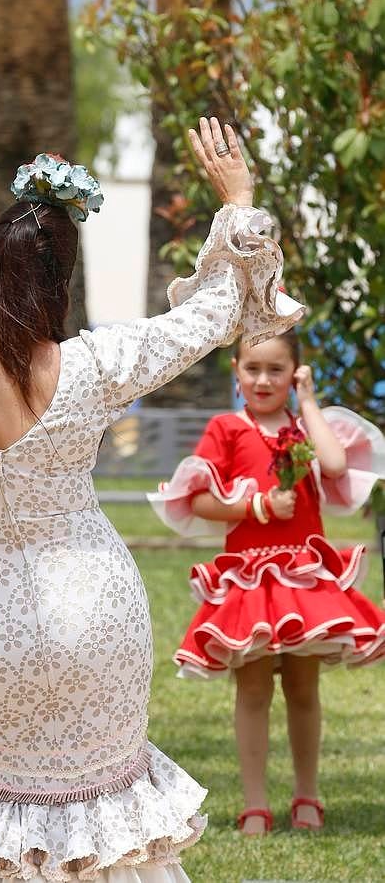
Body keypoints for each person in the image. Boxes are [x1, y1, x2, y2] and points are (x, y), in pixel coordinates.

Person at [0, 118, 303, 882]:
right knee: (102, 823)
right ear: (59, 280)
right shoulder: (93, 366)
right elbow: (213, 315)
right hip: (96, 618)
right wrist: (238, 204)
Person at [149, 330, 385, 837]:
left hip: (302, 577)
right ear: (236, 369)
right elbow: (197, 501)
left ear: (295, 372)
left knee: (303, 687)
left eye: (277, 370)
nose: (263, 379)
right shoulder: (226, 428)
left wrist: (309, 400)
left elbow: (337, 464)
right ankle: (255, 802)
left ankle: (307, 795)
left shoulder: (305, 428)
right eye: (252, 368)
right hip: (249, 575)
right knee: (253, 688)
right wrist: (255, 505)